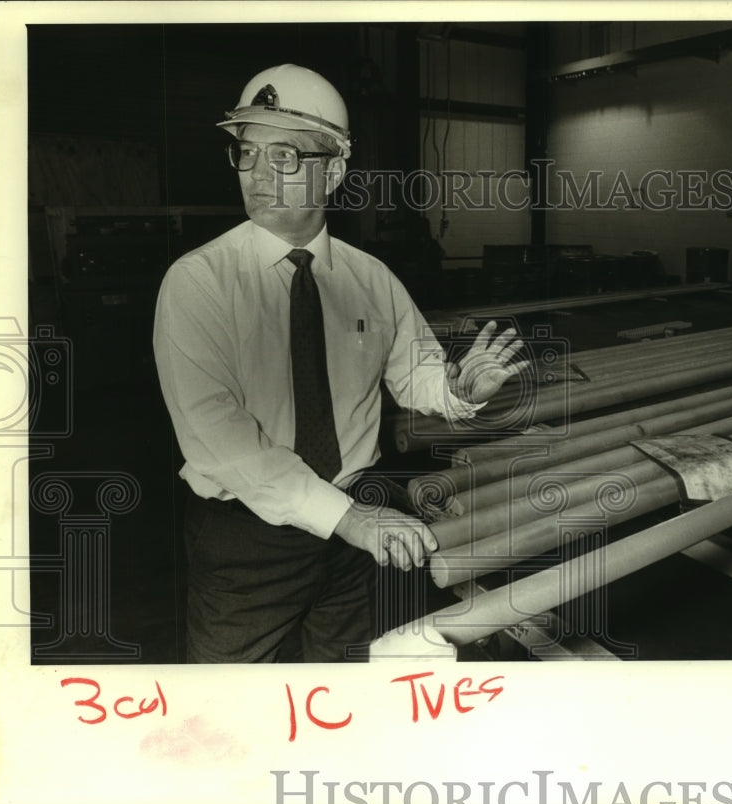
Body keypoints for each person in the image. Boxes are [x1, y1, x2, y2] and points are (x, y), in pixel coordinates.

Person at [153, 64, 527, 663]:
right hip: (249, 537)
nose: (256, 174)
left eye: (285, 156)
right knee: (227, 707)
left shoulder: (370, 279)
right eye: (246, 153)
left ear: (335, 170)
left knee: (343, 682)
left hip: (355, 527)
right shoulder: (199, 282)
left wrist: (458, 387)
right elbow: (217, 438)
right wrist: (348, 518)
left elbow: (415, 374)